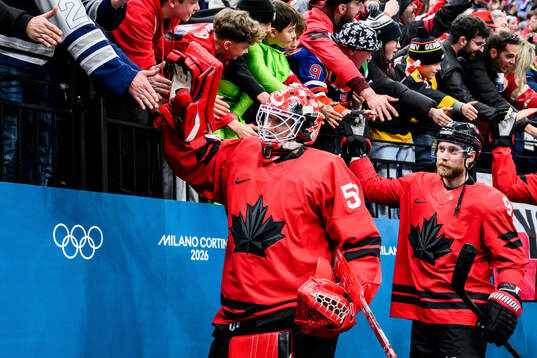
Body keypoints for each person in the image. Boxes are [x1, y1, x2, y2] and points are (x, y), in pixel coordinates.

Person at [159, 57, 382, 355]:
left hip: (300, 313)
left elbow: (360, 242)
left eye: (279, 120)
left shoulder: (329, 167)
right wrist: (180, 105)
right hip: (236, 313)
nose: (267, 125)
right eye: (267, 116)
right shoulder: (240, 152)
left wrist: (350, 298)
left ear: (304, 128)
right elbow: (191, 158)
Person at [345, 121, 528, 357]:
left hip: (464, 316)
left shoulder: (490, 200)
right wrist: (357, 153)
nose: (443, 156)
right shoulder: (416, 184)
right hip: (422, 315)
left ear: (471, 157)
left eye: (452, 151)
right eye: (440, 149)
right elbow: (372, 188)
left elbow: (511, 258)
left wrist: (506, 298)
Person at [288, 21, 381, 154]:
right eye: (369, 52)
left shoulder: (353, 70)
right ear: (352, 50)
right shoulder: (313, 57)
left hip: (322, 131)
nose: (370, 58)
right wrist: (352, 115)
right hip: (292, 127)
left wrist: (356, 110)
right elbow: (317, 99)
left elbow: (339, 108)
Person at [301, 0, 399, 121]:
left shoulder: (333, 24)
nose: (363, 10)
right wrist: (369, 95)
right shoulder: (314, 25)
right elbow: (337, 59)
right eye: (358, 4)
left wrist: (356, 110)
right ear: (342, 8)